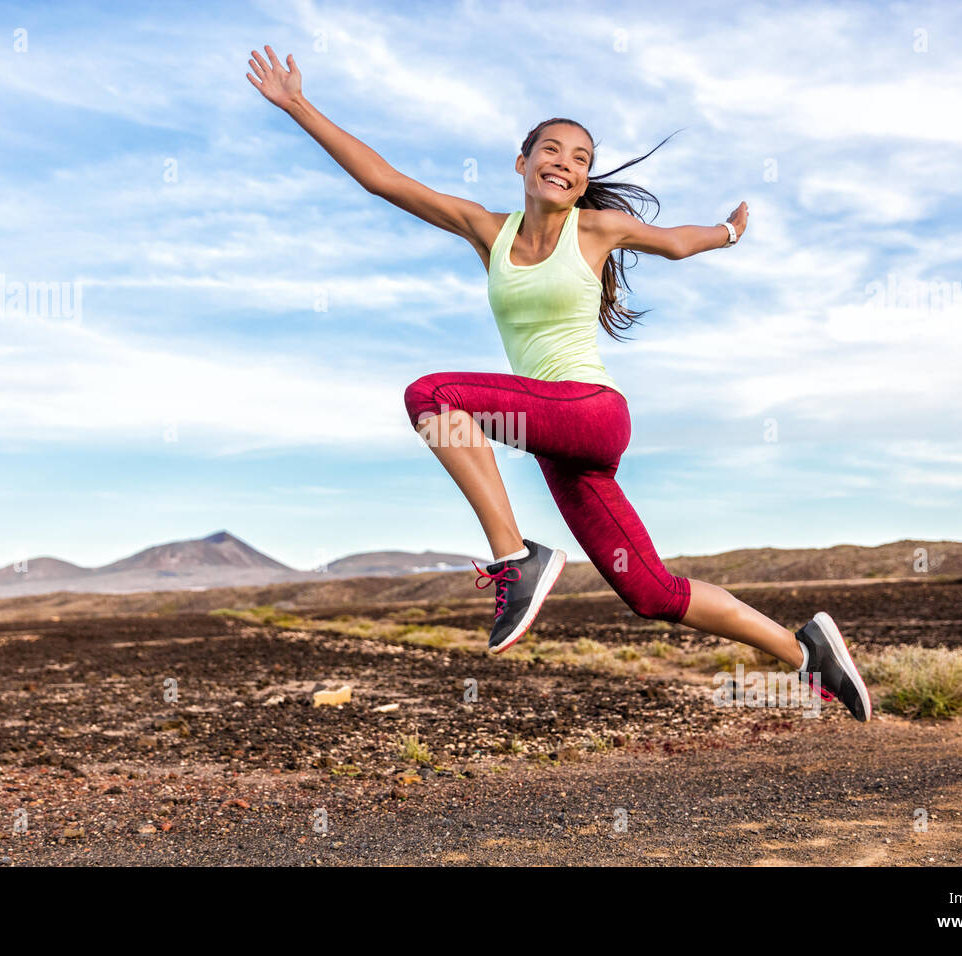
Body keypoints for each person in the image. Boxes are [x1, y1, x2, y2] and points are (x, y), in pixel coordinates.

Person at [246, 45, 871, 720]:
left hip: (593, 413)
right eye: (551, 149)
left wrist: (728, 231)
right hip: (556, 440)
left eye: (580, 158)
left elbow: (675, 242)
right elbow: (385, 180)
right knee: (652, 592)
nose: (565, 164)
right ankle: (807, 653)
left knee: (432, 396)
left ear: (584, 180)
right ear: (523, 162)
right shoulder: (487, 230)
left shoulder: (597, 228)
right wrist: (299, 106)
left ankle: (515, 559)